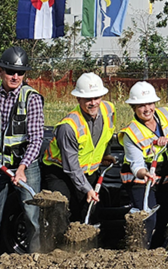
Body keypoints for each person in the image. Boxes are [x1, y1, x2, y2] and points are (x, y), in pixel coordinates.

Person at [0, 46, 44, 266]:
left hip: (25, 164)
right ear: (1, 70)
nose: (15, 77)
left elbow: (36, 139)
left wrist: (22, 168)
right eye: (10, 71)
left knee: (33, 217)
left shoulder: (31, 98)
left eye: (20, 73)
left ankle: (35, 265)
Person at [119, 81, 168, 249]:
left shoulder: (167, 115)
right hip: (141, 180)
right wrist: (145, 173)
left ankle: (158, 251)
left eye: (150, 103)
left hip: (166, 178)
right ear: (134, 107)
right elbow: (136, 164)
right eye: (141, 105)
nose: (147, 109)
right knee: (148, 218)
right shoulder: (131, 133)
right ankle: (140, 250)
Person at [41, 73, 115, 223]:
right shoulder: (68, 127)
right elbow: (72, 167)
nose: (93, 103)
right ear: (78, 99)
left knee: (90, 209)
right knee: (62, 209)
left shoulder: (109, 109)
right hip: (60, 172)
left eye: (96, 97)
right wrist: (87, 189)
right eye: (88, 99)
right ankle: (59, 243)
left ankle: (87, 242)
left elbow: (108, 134)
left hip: (88, 171)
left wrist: (105, 155)